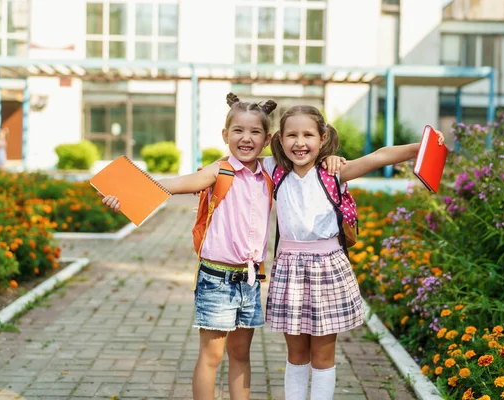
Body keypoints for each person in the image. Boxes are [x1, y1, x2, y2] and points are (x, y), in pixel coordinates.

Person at [102, 93, 343, 400]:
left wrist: (332, 158)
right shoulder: (219, 171)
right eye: (238, 131)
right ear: (225, 134)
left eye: (255, 132)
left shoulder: (269, 171)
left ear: (268, 139)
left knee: (241, 355)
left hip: (251, 280)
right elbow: (174, 185)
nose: (246, 138)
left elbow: (306, 158)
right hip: (216, 279)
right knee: (212, 356)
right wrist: (123, 195)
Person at [261, 105, 444, 400]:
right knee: (296, 354)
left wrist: (419, 147)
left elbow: (379, 156)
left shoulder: (335, 172)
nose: (300, 142)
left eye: (308, 134)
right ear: (280, 140)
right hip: (290, 271)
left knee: (322, 353)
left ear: (322, 138)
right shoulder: (274, 170)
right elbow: (236, 159)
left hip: (327, 270)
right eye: (291, 135)